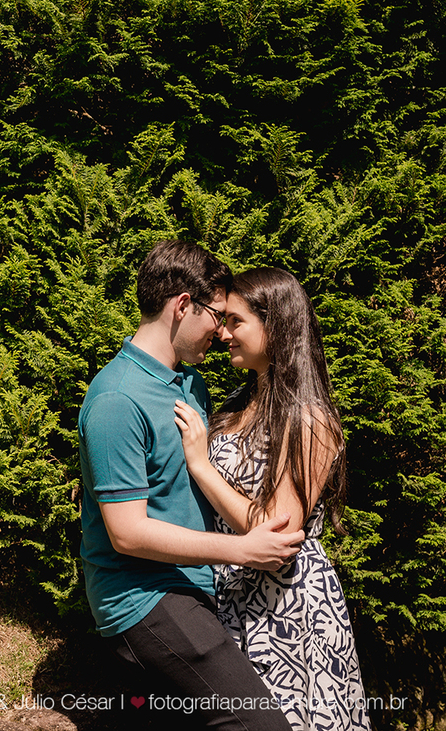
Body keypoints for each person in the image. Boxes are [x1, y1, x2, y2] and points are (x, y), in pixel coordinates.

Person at [78, 240, 302, 730]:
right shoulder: (117, 399)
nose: (221, 332)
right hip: (144, 598)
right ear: (182, 305)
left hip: (192, 592)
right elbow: (127, 533)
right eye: (215, 315)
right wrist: (243, 550)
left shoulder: (188, 385)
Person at [173, 267, 371, 730]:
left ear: (275, 325)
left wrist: (201, 464)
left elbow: (276, 531)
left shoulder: (310, 420)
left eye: (236, 322)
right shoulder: (237, 404)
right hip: (231, 596)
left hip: (287, 609)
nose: (222, 333)